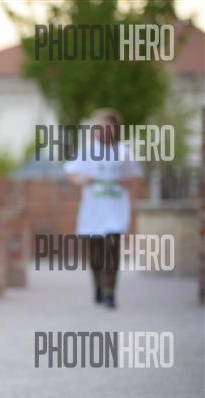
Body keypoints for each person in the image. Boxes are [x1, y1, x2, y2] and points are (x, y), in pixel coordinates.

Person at [64, 108, 142, 309]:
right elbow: (71, 173)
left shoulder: (123, 152)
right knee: (95, 253)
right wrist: (82, 179)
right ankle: (98, 284)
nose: (101, 131)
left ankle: (110, 292)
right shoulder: (87, 151)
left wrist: (127, 182)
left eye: (106, 127)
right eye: (98, 127)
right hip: (93, 211)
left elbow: (134, 176)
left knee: (112, 250)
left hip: (116, 209)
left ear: (114, 129)